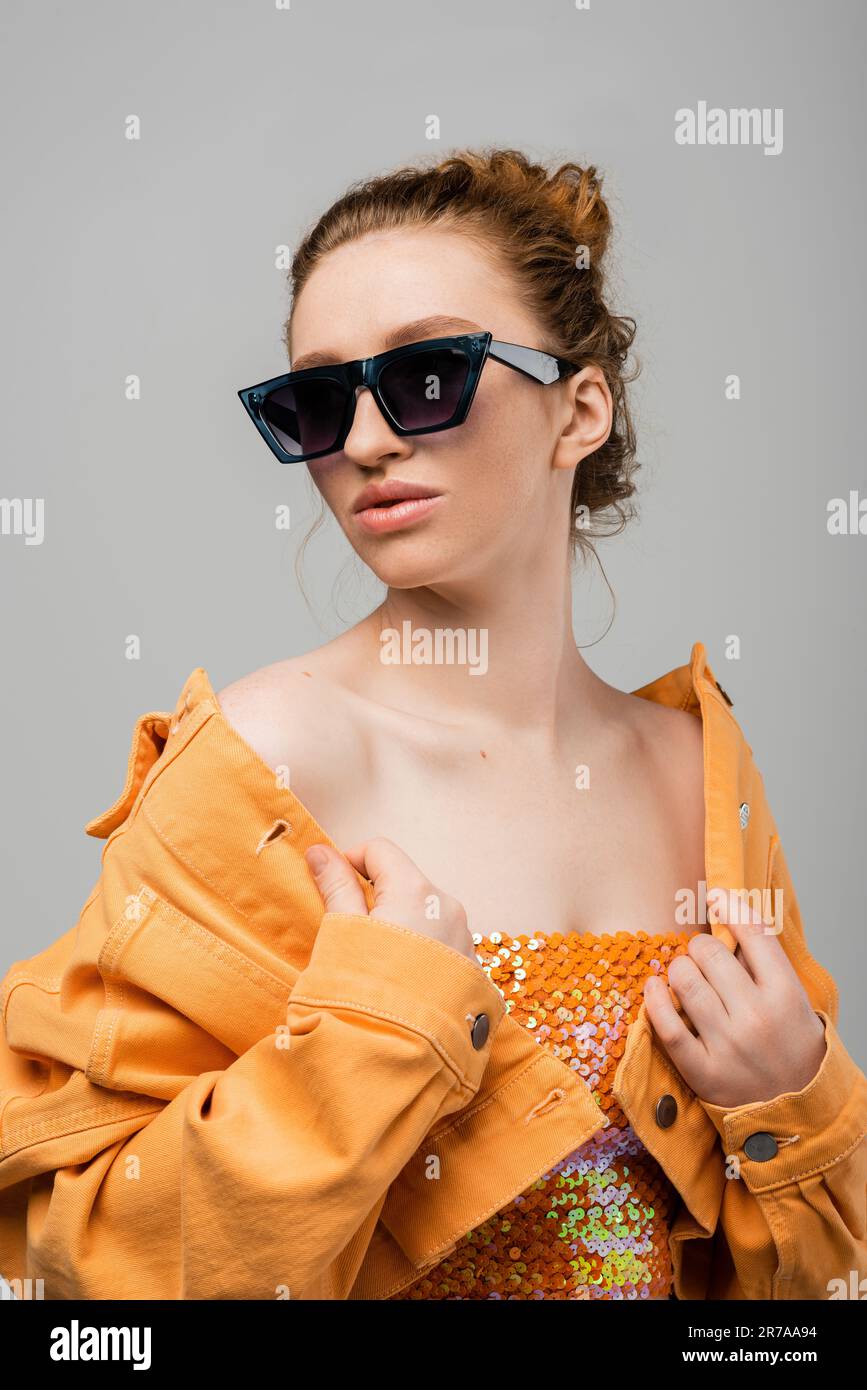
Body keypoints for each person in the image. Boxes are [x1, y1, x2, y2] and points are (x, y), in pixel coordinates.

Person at [1, 148, 864, 1301]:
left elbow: (785, 1312)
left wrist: (792, 1105)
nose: (363, 442)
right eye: (317, 401)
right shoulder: (266, 764)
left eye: (427, 376)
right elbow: (96, 1265)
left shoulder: (701, 770)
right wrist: (375, 1033)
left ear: (580, 409)